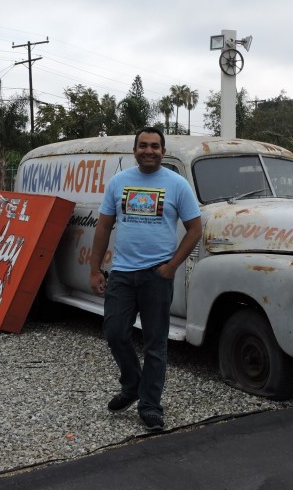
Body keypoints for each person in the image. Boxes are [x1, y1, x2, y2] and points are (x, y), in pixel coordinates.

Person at [89, 127, 202, 432]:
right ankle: (132, 384)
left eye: (154, 146)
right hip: (123, 274)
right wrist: (95, 269)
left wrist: (172, 267)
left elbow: (195, 229)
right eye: (143, 146)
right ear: (135, 150)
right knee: (114, 333)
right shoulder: (119, 182)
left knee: (155, 345)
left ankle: (149, 405)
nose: (148, 150)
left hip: (157, 276)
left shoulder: (177, 184)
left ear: (163, 151)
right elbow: (103, 228)